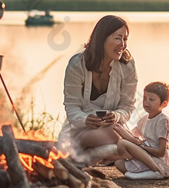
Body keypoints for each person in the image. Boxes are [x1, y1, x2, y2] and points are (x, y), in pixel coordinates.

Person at [58, 15, 138, 166]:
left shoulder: (127, 66)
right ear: (102, 39)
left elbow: (127, 107)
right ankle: (81, 144)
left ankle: (85, 155)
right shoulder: (77, 65)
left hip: (111, 128)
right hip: (80, 127)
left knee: (119, 140)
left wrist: (116, 115)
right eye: (117, 38)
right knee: (118, 143)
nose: (123, 44)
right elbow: (72, 107)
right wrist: (85, 120)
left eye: (125, 39)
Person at [113, 81, 169, 180]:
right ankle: (148, 173)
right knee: (118, 163)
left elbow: (161, 152)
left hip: (160, 161)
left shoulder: (163, 120)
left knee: (122, 143)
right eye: (144, 98)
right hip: (147, 155)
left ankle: (157, 171)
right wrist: (116, 126)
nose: (146, 103)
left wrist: (142, 147)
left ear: (164, 104)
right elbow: (133, 138)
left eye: (152, 99)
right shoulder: (143, 120)